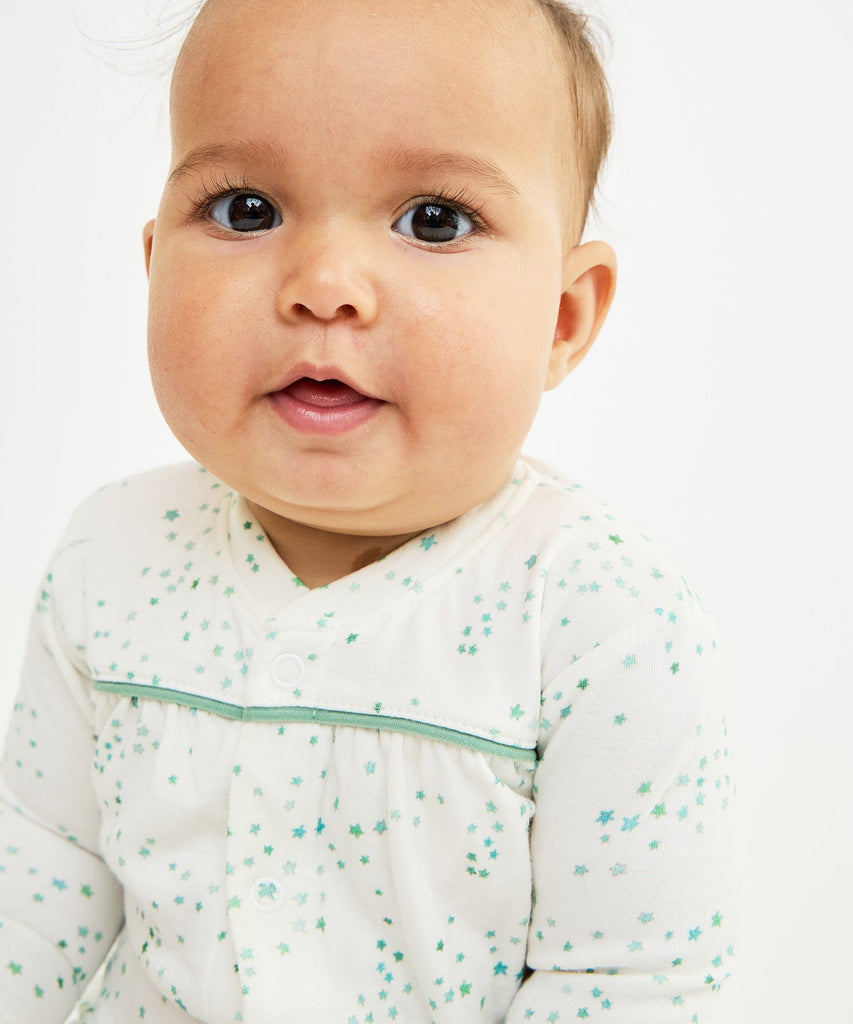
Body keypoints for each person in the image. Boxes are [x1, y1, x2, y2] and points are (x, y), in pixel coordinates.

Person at [0, 0, 738, 1021]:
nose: (324, 286)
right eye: (246, 209)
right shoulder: (111, 557)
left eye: (433, 219)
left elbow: (627, 984)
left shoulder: (598, 621)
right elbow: (35, 900)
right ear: (152, 262)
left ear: (562, 319)